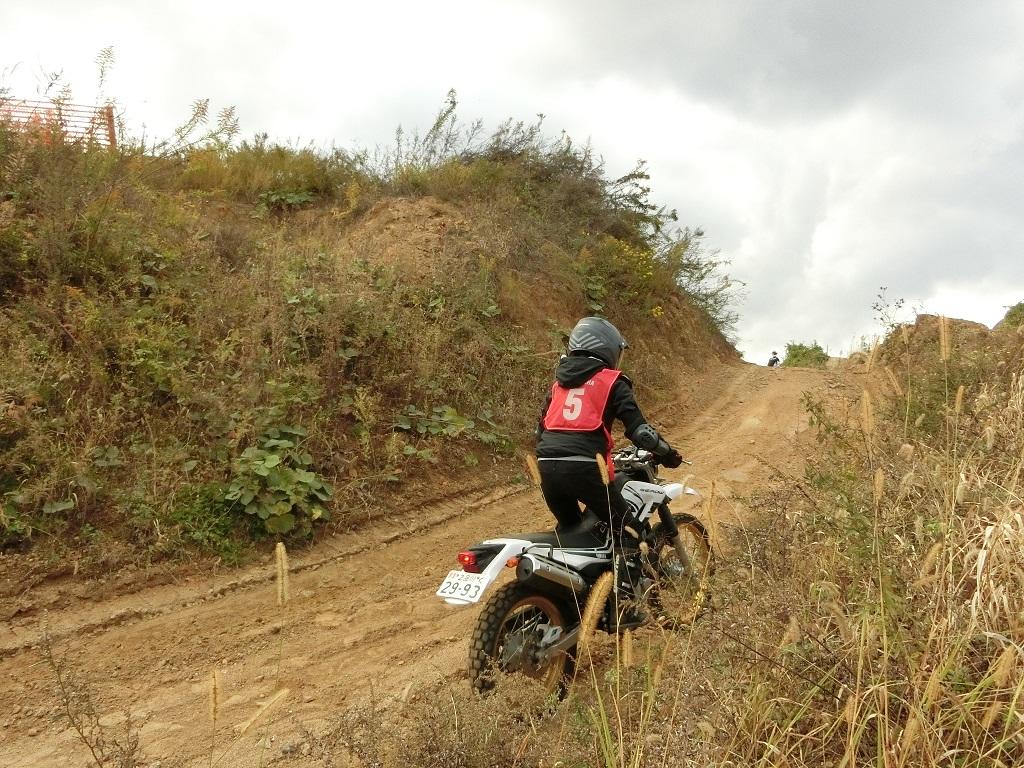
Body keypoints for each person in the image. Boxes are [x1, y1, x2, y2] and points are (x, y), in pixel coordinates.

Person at [535, 316, 684, 540]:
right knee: (631, 533)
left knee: (573, 537)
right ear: (608, 348)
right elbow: (642, 433)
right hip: (586, 471)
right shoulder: (613, 382)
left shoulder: (558, 385)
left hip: (546, 469)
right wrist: (668, 454)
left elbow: (540, 433)